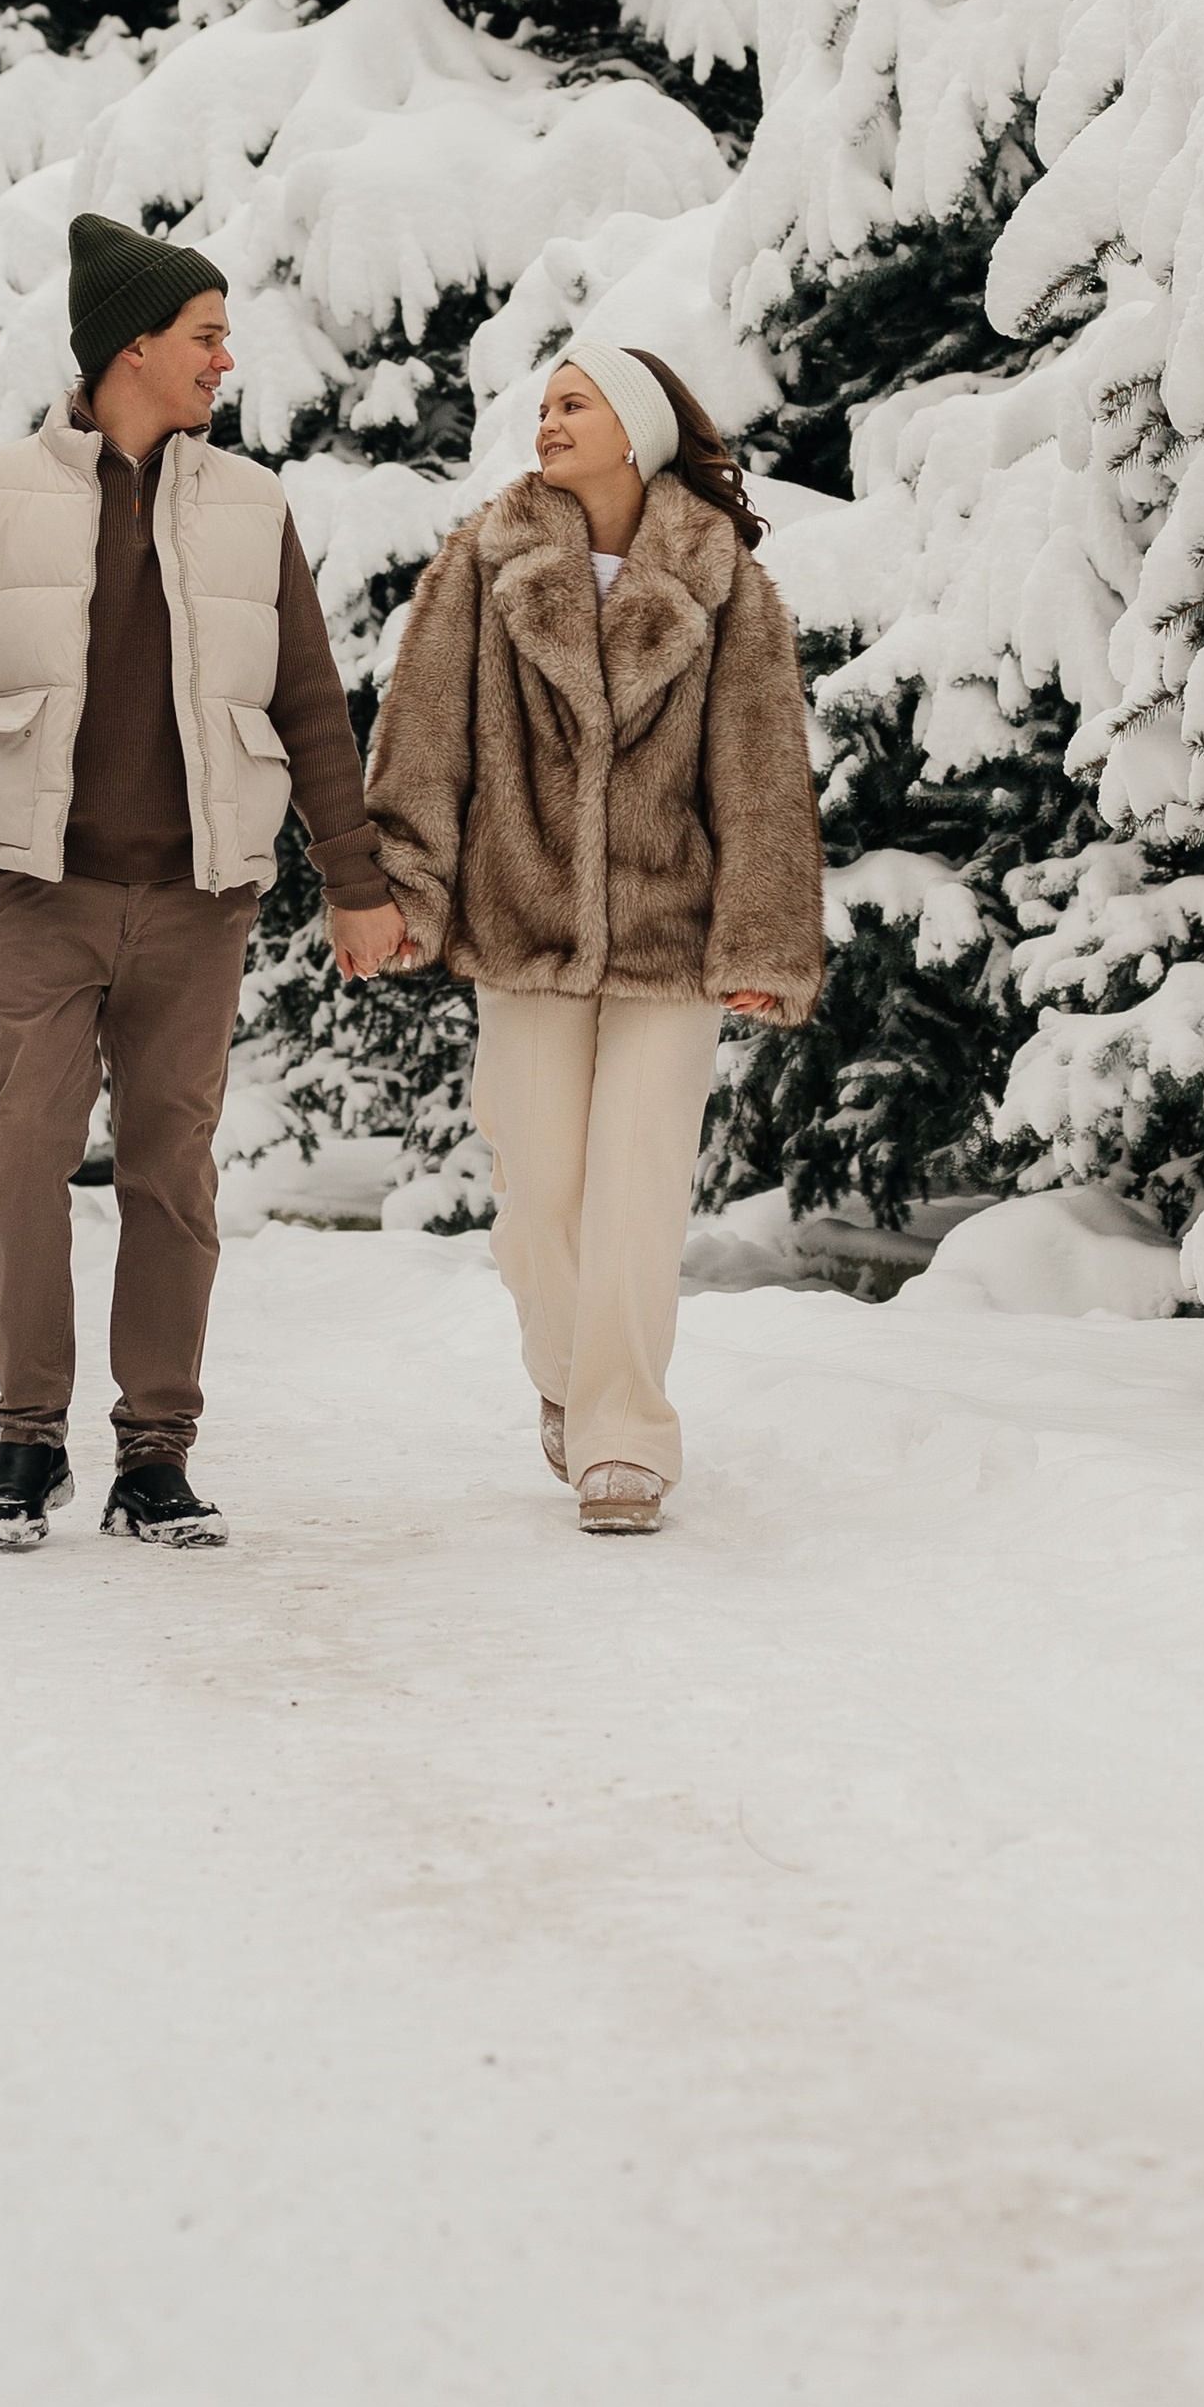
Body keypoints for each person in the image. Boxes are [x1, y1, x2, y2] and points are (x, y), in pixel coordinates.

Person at [0, 213, 408, 1551]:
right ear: (133, 347)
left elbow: (309, 702)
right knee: (22, 1161)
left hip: (197, 896)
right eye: (207, 335)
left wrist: (355, 878)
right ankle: (27, 1441)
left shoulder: (251, 504)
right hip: (33, 893)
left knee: (173, 1173)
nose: (228, 359)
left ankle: (156, 1454)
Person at [364, 342, 823, 1535]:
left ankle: (623, 1433)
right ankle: (570, 1378)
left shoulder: (723, 577)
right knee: (538, 1189)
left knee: (639, 1180)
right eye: (544, 404)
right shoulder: (486, 558)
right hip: (524, 920)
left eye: (573, 403)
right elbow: (424, 734)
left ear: (634, 427)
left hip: (671, 930)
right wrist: (407, 888)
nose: (547, 421)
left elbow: (762, 773)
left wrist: (764, 939)